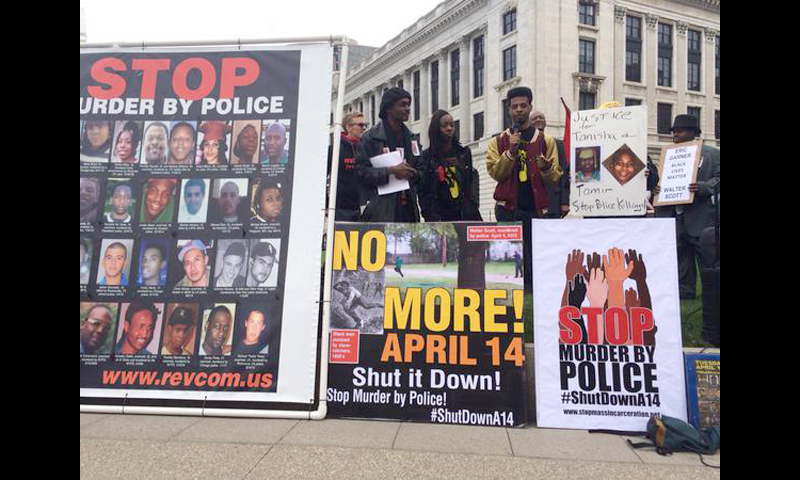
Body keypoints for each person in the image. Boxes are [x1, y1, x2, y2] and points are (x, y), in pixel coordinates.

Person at [487, 87, 562, 290]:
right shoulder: (498, 141)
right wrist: (510, 152)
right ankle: (512, 290)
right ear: (509, 110)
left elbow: (556, 177)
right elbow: (495, 173)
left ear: (530, 107)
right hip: (507, 207)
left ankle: (535, 289)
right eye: (514, 107)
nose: (519, 110)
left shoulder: (546, 141)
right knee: (512, 254)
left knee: (536, 252)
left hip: (536, 207)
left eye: (523, 106)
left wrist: (546, 168)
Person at [655, 114, 720, 302]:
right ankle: (685, 290)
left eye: (680, 130)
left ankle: (711, 291)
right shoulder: (668, 154)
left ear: (693, 132)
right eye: (674, 131)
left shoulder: (712, 153)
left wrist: (704, 187)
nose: (675, 134)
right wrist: (659, 188)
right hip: (675, 214)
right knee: (681, 254)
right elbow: (662, 181)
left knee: (706, 255)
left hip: (700, 215)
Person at [355, 87, 422, 222]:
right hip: (379, 213)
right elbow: (360, 173)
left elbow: (422, 172)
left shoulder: (412, 138)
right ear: (388, 108)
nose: (408, 108)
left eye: (408, 104)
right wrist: (390, 171)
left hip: (408, 212)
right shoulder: (369, 138)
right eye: (402, 105)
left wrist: (412, 172)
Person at [419, 109, 482, 221]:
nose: (449, 128)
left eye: (452, 125)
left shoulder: (463, 153)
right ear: (436, 129)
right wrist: (428, 214)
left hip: (464, 214)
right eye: (444, 125)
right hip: (439, 217)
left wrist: (473, 204)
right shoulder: (426, 156)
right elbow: (423, 190)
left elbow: (470, 180)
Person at [530, 111, 570, 218]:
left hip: (553, 201)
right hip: (531, 202)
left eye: (541, 117)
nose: (538, 120)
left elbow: (564, 173)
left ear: (545, 122)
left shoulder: (558, 144)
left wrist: (565, 202)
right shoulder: (525, 143)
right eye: (534, 118)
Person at [329, 112, 367, 221]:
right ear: (349, 127)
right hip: (342, 208)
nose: (364, 128)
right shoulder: (335, 149)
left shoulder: (366, 148)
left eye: (365, 125)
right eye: (360, 125)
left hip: (364, 206)